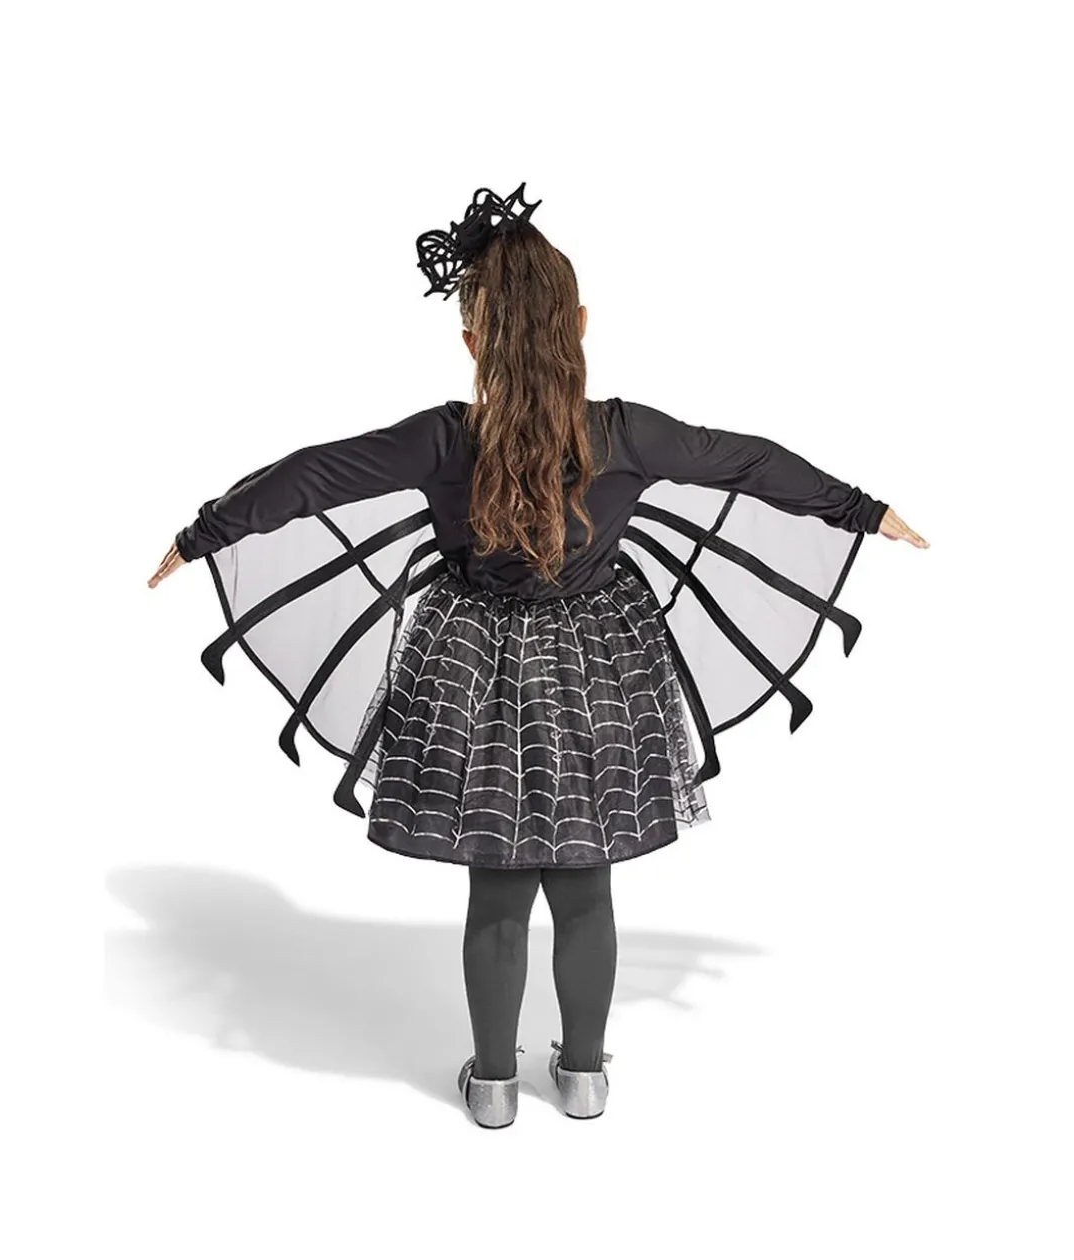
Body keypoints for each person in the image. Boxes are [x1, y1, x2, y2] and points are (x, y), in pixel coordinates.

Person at [148, 183, 928, 1129]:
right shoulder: (622, 434)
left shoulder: (443, 440)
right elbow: (748, 461)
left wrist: (207, 531)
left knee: (498, 887)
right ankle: (585, 1076)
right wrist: (859, 510)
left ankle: (491, 1087)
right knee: (587, 884)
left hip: (474, 670)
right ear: (580, 326)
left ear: (471, 342)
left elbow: (313, 474)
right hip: (601, 670)